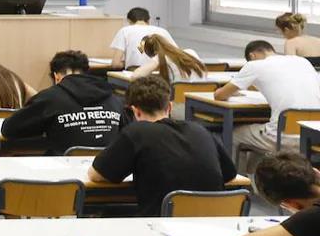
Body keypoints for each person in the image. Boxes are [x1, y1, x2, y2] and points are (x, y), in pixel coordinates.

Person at [88, 76, 236, 217]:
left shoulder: (136, 133)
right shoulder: (200, 130)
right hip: (212, 225)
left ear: (135, 111)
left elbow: (97, 175)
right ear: (169, 107)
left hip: (161, 224)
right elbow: (230, 175)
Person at [214, 39, 320, 169]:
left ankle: (240, 183)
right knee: (258, 140)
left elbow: (219, 95)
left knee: (234, 135)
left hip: (282, 137)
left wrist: (232, 92)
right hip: (312, 137)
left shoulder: (255, 65)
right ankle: (257, 181)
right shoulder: (302, 61)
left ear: (252, 56)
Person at [2, 50, 129, 154]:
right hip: (108, 174)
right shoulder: (114, 99)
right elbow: (127, 132)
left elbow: (9, 129)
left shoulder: (50, 98)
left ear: (56, 76)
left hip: (62, 178)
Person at [109, 7, 176, 69]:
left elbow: (115, 64)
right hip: (159, 73)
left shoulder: (125, 31)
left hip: (135, 73)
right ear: (148, 20)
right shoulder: (163, 31)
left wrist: (127, 63)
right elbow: (176, 55)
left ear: (129, 21)